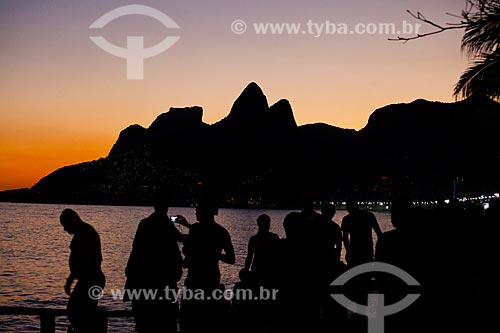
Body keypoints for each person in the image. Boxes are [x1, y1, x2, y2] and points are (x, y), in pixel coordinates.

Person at [125, 197, 191, 333]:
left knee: (146, 322)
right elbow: (180, 238)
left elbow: (136, 248)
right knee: (167, 321)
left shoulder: (145, 224)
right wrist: (189, 226)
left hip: (146, 279)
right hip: (165, 279)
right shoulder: (166, 224)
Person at [178, 199, 235, 333]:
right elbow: (231, 259)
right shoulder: (221, 232)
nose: (196, 213)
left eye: (198, 211)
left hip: (194, 281)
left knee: (189, 322)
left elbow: (192, 242)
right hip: (212, 280)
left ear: (205, 213)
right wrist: (216, 254)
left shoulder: (196, 229)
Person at [60, 208, 106, 333]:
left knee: (75, 311)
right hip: (89, 280)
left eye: (66, 225)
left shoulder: (85, 233)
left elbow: (91, 260)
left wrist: (71, 280)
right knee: (82, 313)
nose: (65, 229)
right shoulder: (84, 232)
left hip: (90, 280)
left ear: (73, 220)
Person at [341, 200, 382, 266]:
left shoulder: (347, 219)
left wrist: (348, 251)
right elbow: (379, 234)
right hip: (367, 250)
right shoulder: (369, 216)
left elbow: (345, 239)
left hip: (354, 251)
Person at [244, 214, 280, 287]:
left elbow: (279, 255)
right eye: (265, 222)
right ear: (259, 224)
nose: (267, 225)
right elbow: (249, 257)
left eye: (268, 223)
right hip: (258, 270)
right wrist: (246, 271)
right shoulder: (254, 239)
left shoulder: (274, 237)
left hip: (270, 271)